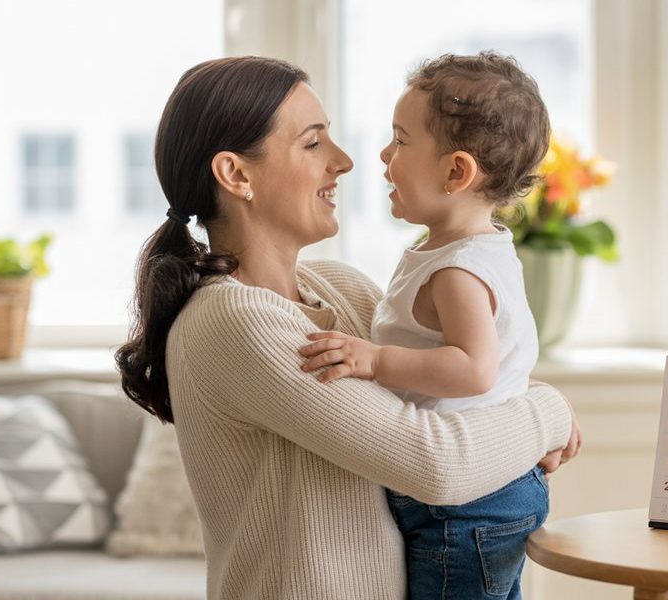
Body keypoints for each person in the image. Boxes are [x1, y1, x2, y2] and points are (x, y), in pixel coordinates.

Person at [113, 56, 580, 600]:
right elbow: (437, 464)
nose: (345, 161)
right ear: (237, 175)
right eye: (313, 143)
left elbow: (447, 387)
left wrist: (529, 401)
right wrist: (548, 412)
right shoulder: (233, 322)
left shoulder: (344, 288)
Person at [297, 51, 551, 600]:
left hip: (466, 507)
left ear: (456, 172)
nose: (383, 154)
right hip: (487, 491)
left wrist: (375, 359)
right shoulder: (474, 250)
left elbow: (475, 369)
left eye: (400, 140)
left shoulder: (458, 271)